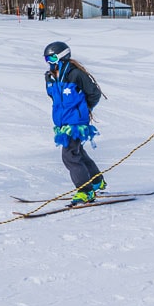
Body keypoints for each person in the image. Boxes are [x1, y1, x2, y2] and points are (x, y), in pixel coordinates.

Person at [43, 41, 106, 205]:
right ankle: (96, 180)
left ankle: (85, 191)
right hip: (63, 122)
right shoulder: (50, 78)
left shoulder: (76, 74)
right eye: (47, 59)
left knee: (69, 156)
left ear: (63, 56)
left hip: (76, 122)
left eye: (53, 57)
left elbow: (94, 93)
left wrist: (84, 108)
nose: (50, 62)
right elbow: (55, 98)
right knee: (78, 152)